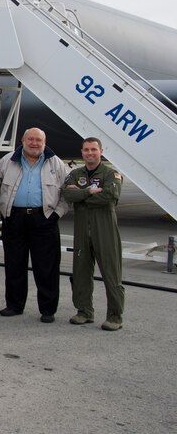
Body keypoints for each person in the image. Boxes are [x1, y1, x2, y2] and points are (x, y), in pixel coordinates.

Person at [0, 127, 68, 323]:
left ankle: (47, 309)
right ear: (23, 140)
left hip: (44, 219)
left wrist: (55, 215)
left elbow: (67, 193)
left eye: (38, 140)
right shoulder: (8, 161)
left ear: (44, 142)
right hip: (14, 219)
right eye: (31, 139)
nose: (34, 143)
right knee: (14, 265)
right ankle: (14, 305)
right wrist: (3, 211)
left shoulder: (56, 163)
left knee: (46, 267)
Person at [64, 137, 125, 331]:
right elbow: (67, 194)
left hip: (104, 227)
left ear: (101, 151)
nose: (90, 153)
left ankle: (115, 316)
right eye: (86, 150)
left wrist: (81, 195)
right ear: (82, 152)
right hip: (82, 228)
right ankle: (84, 311)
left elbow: (110, 195)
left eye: (94, 150)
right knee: (81, 271)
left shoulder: (110, 173)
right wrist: (90, 192)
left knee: (111, 273)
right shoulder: (75, 173)